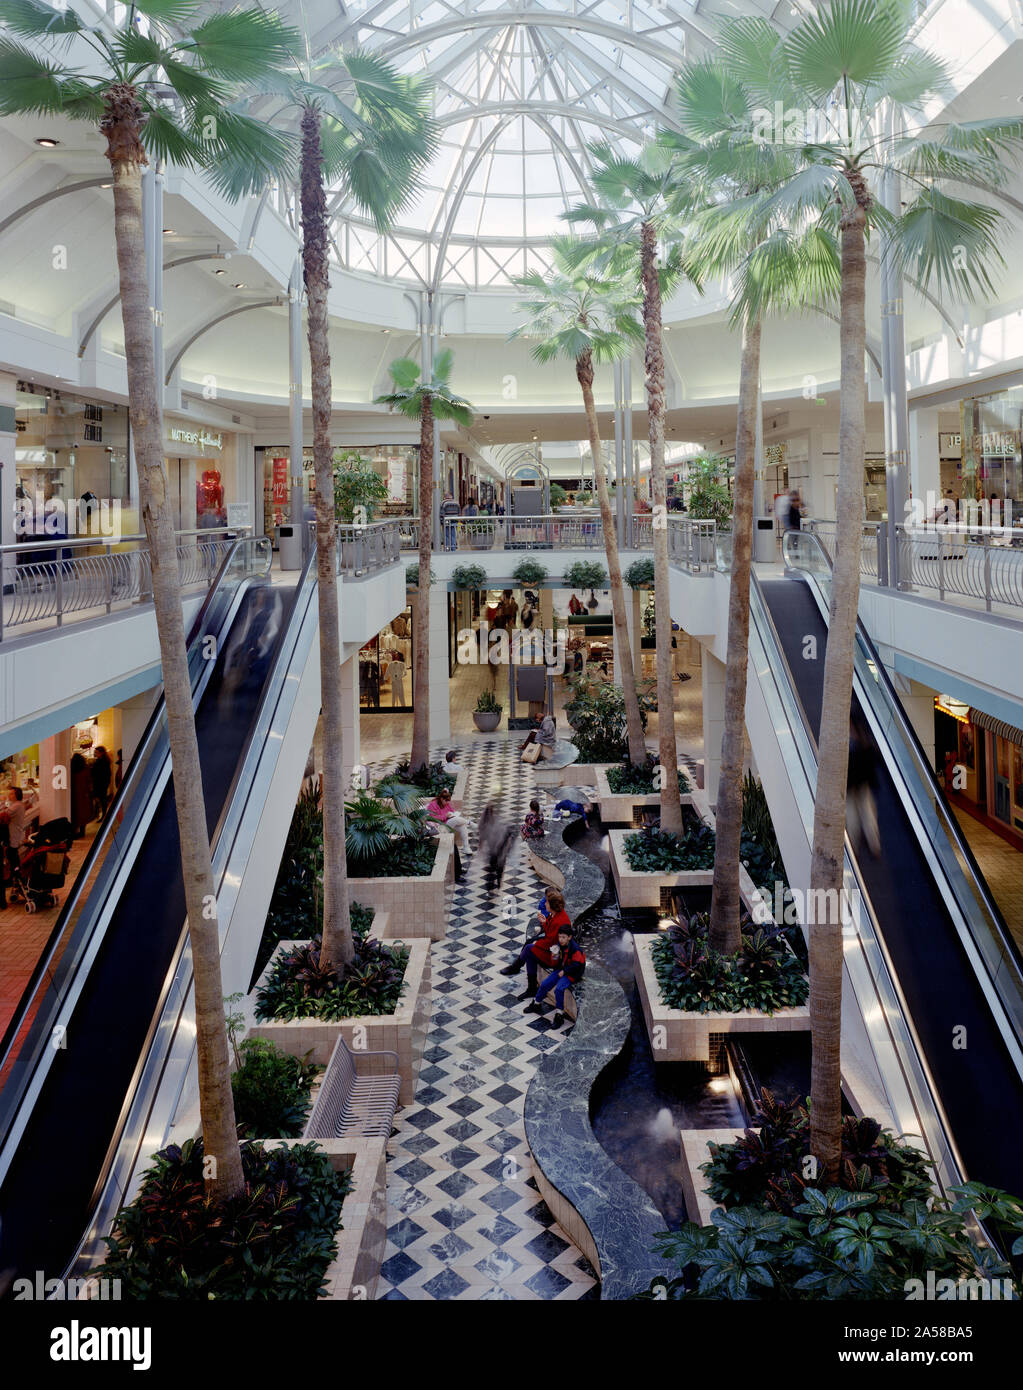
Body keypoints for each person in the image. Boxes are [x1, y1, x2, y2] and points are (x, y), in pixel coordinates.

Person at [499, 889, 571, 1000]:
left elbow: (551, 942)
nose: (545, 903)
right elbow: (551, 933)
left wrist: (537, 943)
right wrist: (544, 922)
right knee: (530, 951)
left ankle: (517, 969)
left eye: (547, 902)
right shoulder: (555, 915)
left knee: (529, 949)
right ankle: (530, 986)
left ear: (551, 905)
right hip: (553, 950)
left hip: (556, 957)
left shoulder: (559, 920)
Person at [525, 925, 586, 1028]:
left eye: (563, 937)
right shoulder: (559, 945)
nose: (560, 940)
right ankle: (536, 1003)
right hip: (561, 969)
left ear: (569, 937)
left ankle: (559, 1014)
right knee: (545, 984)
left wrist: (565, 971)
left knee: (559, 989)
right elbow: (556, 963)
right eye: (559, 937)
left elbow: (578, 965)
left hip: (572, 973)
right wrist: (554, 956)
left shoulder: (575, 949)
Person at [847, 713, 881, 857]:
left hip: (849, 784)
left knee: (851, 813)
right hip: (863, 782)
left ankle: (853, 846)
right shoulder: (863, 740)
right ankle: (874, 845)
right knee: (867, 811)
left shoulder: (845, 744)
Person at [426, 785, 474, 853]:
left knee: (462, 826)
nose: (448, 803)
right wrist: (445, 816)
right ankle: (470, 823)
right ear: (442, 799)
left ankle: (466, 848)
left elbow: (451, 811)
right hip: (440, 827)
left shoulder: (446, 804)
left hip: (448, 822)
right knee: (456, 820)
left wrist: (452, 814)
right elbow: (433, 818)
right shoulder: (432, 805)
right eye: (446, 801)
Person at [70, 752, 93, 837]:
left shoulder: (71, 769)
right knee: (83, 814)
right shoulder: (86, 768)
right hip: (84, 795)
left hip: (73, 794)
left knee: (75, 814)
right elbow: (89, 781)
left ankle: (74, 831)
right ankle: (82, 832)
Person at [90, 746, 113, 820]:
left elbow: (97, 773)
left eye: (96, 752)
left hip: (100, 783)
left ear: (101, 753)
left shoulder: (102, 762)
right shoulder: (103, 761)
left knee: (101, 799)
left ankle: (102, 815)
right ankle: (100, 815)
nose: (95, 754)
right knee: (101, 799)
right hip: (102, 783)